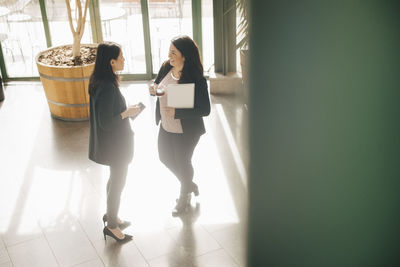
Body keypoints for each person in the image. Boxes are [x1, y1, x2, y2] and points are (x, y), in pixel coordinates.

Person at [149, 35, 211, 216]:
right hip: (166, 125)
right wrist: (153, 88)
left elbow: (205, 109)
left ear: (185, 55)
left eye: (174, 52)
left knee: (183, 162)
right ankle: (190, 185)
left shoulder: (196, 79)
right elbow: (158, 84)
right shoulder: (166, 67)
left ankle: (184, 196)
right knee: (164, 157)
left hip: (187, 130)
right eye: (169, 51)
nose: (170, 55)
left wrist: (178, 112)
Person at [88, 42, 141, 242]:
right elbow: (106, 122)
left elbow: (106, 114)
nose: (124, 60)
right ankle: (111, 226)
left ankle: (112, 215)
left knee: (114, 180)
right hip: (116, 146)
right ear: (111, 62)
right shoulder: (108, 87)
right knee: (118, 183)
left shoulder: (97, 80)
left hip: (109, 145)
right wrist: (126, 113)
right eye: (121, 57)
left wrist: (126, 112)